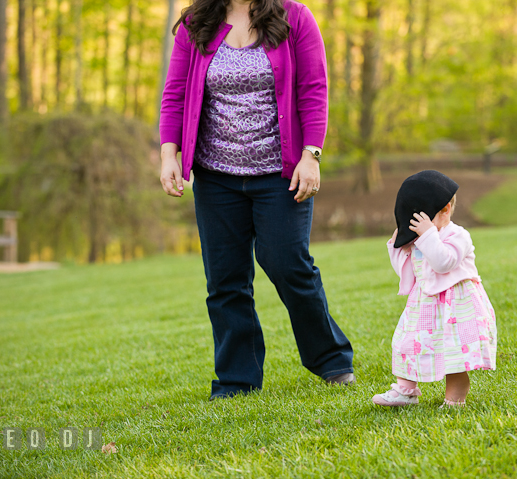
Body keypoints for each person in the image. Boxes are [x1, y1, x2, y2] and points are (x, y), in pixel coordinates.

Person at [158, 0, 355, 399]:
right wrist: (168, 154)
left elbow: (314, 89)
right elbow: (175, 92)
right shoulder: (197, 23)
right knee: (225, 280)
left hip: (279, 174)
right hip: (216, 177)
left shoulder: (294, 17)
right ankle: (237, 380)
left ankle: (331, 359)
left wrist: (311, 155)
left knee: (288, 265)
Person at [372, 170, 497, 407]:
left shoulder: (458, 236)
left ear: (445, 210)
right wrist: (398, 247)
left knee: (454, 352)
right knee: (406, 342)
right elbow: (407, 272)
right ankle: (406, 390)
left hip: (456, 306)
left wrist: (427, 235)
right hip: (424, 304)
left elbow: (443, 262)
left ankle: (454, 400)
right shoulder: (421, 238)